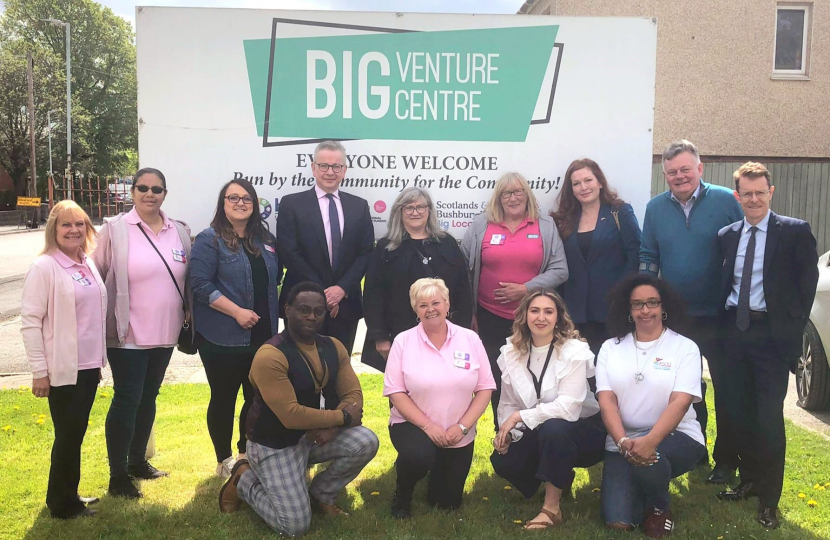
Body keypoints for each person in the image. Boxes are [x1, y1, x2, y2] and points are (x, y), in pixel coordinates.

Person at [218, 282, 378, 537]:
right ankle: (243, 480)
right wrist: (343, 417)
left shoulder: (333, 346)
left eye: (318, 311)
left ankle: (321, 494)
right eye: (304, 310)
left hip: (311, 436)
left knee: (366, 441)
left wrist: (334, 426)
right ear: (288, 310)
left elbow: (354, 395)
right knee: (293, 526)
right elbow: (291, 415)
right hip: (274, 443)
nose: (311, 317)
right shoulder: (270, 355)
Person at [715, 162, 819, 529]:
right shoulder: (727, 234)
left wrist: (788, 333)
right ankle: (750, 480)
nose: (754, 198)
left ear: (770, 192)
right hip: (734, 335)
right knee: (739, 414)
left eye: (760, 192)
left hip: (771, 340)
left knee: (769, 420)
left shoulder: (794, 231)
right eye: (748, 193)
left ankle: (769, 501)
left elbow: (807, 285)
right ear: (737, 196)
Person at [639, 140, 743, 477]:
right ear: (664, 175)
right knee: (682, 388)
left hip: (720, 314)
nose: (679, 176)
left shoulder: (727, 200)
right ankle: (694, 450)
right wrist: (643, 299)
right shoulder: (655, 209)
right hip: (677, 317)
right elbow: (649, 257)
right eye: (672, 172)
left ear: (700, 168)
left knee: (728, 387)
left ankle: (727, 460)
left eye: (686, 169)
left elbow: (746, 248)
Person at [92, 167, 192, 499]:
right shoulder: (115, 230)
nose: (150, 194)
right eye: (143, 188)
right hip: (127, 335)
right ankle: (117, 475)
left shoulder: (178, 231)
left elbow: (186, 278)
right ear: (132, 192)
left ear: (165, 193)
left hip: (165, 334)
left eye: (157, 189)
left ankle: (137, 462)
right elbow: (98, 276)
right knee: (127, 399)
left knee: (148, 398)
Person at [596, 274, 706, 538]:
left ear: (663, 307)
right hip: (622, 442)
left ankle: (659, 509)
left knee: (653, 458)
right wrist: (622, 441)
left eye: (652, 303)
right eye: (637, 304)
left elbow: (681, 401)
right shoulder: (610, 348)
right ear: (629, 310)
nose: (645, 310)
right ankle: (643, 488)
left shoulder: (685, 347)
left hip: (676, 437)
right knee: (619, 522)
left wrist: (651, 440)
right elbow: (606, 400)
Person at [490, 290, 605, 529]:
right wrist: (509, 434)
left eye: (548, 311)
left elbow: (568, 408)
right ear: (524, 316)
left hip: (584, 431)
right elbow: (508, 403)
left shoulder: (573, 351)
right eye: (534, 310)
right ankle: (560, 474)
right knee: (503, 461)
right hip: (544, 430)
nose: (541, 317)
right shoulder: (511, 353)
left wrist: (519, 417)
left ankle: (551, 510)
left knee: (554, 429)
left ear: (558, 318)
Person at [460, 172, 568, 427]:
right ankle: (503, 433)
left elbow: (560, 269)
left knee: (534, 377)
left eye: (518, 191)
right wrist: (470, 312)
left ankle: (535, 431)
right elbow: (463, 268)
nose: (512, 198)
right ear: (498, 198)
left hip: (533, 319)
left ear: (527, 195)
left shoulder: (544, 225)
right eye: (506, 193)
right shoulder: (481, 225)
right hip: (489, 317)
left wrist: (526, 288)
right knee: (498, 379)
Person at [21, 201, 107, 519]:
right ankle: (62, 504)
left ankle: (68, 493)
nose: (73, 230)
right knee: (69, 434)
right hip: (61, 370)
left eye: (79, 224)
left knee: (75, 433)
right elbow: (30, 322)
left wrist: (97, 361)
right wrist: (39, 372)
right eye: (66, 225)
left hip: (87, 367)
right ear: (53, 229)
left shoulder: (86, 263)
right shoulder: (44, 267)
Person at [190, 179, 280, 478]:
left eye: (247, 199)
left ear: (255, 205)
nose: (240, 203)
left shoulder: (264, 239)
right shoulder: (209, 239)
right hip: (222, 336)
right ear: (223, 203)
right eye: (233, 198)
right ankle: (223, 459)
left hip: (263, 335)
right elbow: (200, 285)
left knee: (256, 398)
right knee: (224, 397)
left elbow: (274, 280)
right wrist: (237, 312)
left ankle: (245, 452)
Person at [383, 278, 495, 518]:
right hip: (413, 425)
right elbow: (395, 392)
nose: (430, 309)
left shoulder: (470, 339)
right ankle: (403, 490)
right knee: (418, 456)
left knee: (446, 503)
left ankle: (436, 467)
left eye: (436, 302)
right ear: (415, 309)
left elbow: (485, 388)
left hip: (458, 432)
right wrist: (428, 426)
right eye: (423, 305)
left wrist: (463, 427)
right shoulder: (403, 341)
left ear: (447, 304)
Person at [277, 140, 374, 354]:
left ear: (344, 170)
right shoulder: (292, 204)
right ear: (313, 168)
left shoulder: (359, 206)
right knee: (301, 369)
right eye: (324, 166)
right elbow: (289, 252)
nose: (330, 171)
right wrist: (323, 293)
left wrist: (341, 289)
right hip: (302, 305)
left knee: (339, 370)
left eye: (336, 166)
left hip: (345, 306)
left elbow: (366, 253)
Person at [362, 187, 473, 371]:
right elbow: (373, 295)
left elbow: (462, 290)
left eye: (421, 207)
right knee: (404, 391)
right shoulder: (386, 247)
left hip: (445, 333)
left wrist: (462, 332)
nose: (416, 212)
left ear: (429, 210)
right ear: (400, 212)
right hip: (400, 333)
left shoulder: (447, 243)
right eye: (409, 208)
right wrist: (380, 336)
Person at [552, 159, 641, 355]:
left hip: (611, 309)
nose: (583, 187)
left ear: (600, 182)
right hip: (574, 312)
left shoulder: (620, 212)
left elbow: (635, 255)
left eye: (588, 180)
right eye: (576, 183)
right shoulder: (563, 220)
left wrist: (622, 293)